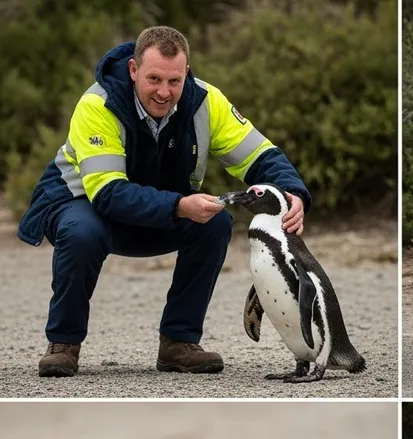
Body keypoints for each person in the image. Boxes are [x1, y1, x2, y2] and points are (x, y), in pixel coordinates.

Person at [17, 26, 311, 378]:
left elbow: (260, 156)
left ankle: (178, 343)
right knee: (82, 232)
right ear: (133, 70)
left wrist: (293, 191)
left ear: (186, 72)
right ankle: (63, 344)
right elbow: (108, 193)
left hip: (156, 206)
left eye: (174, 81)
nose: (164, 92)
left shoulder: (206, 101)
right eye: (154, 78)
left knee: (215, 223)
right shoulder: (97, 104)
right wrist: (179, 207)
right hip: (82, 204)